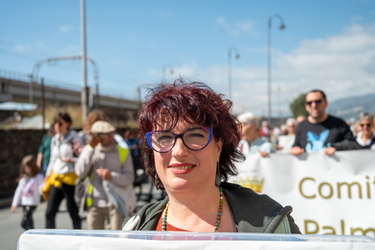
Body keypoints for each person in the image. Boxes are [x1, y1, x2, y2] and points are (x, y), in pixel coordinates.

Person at [123, 79, 300, 233]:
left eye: (195, 135)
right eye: (163, 137)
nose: (178, 151)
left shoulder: (274, 226)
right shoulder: (133, 229)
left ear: (219, 147)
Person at [75, 121, 136, 230]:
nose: (111, 137)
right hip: (94, 203)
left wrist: (111, 176)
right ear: (98, 137)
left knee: (116, 242)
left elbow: (130, 178)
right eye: (107, 135)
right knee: (95, 242)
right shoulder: (89, 151)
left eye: (112, 134)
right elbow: (80, 172)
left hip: (117, 203)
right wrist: (90, 148)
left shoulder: (122, 152)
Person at [290, 89, 360, 156]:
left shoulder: (339, 124)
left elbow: (353, 144)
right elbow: (296, 146)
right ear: (306, 106)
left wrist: (336, 147)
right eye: (309, 103)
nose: (314, 105)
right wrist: (294, 150)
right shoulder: (301, 126)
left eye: (318, 102)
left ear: (325, 103)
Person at [43, 112, 81, 229]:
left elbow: (82, 157)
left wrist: (72, 160)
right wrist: (47, 175)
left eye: (60, 123)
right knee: (49, 212)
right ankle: (49, 240)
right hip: (57, 178)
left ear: (68, 124)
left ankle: (78, 237)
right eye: (55, 123)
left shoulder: (74, 137)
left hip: (70, 178)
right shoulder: (55, 139)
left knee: (73, 211)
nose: (57, 126)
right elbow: (53, 159)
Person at [11, 155, 44, 230]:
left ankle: (31, 232)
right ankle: (31, 232)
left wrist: (43, 192)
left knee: (24, 221)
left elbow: (40, 188)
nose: (26, 169)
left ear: (32, 167)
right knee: (29, 220)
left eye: (27, 167)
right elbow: (18, 192)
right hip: (24, 202)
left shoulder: (38, 177)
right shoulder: (23, 179)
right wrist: (14, 204)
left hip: (32, 202)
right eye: (24, 167)